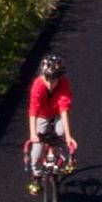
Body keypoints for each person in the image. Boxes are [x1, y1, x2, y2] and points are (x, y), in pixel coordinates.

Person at [26, 54, 76, 191]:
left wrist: (68, 135)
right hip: (42, 115)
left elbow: (64, 108)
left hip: (57, 113)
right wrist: (33, 134)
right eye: (47, 79)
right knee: (36, 150)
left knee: (60, 134)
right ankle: (36, 176)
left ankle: (61, 156)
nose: (50, 84)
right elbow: (33, 110)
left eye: (54, 80)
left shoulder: (64, 83)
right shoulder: (38, 85)